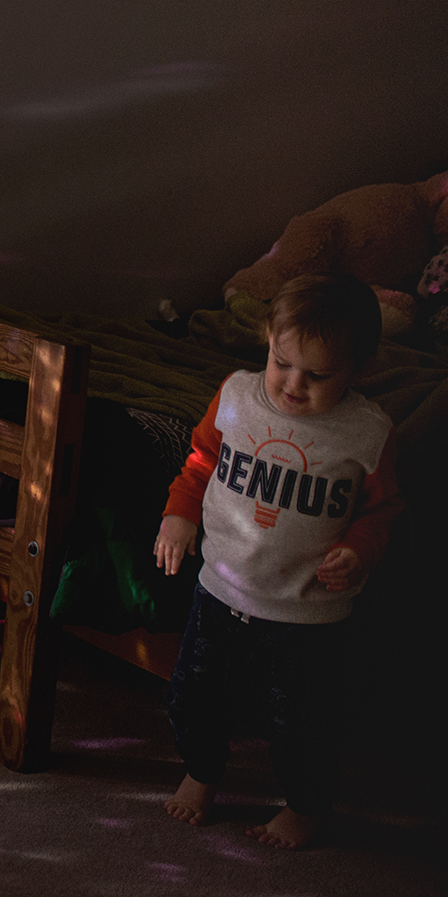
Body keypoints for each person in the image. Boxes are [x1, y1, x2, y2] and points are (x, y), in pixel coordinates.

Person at [153, 272, 402, 849]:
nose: (293, 385)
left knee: (303, 722)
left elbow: (383, 510)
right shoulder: (237, 396)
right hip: (220, 589)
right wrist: (179, 515)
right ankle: (203, 772)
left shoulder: (367, 433)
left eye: (318, 375)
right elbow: (200, 462)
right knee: (194, 694)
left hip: (307, 616)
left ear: (359, 369)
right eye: (281, 361)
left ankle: (306, 806)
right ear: (266, 337)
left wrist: (357, 550)